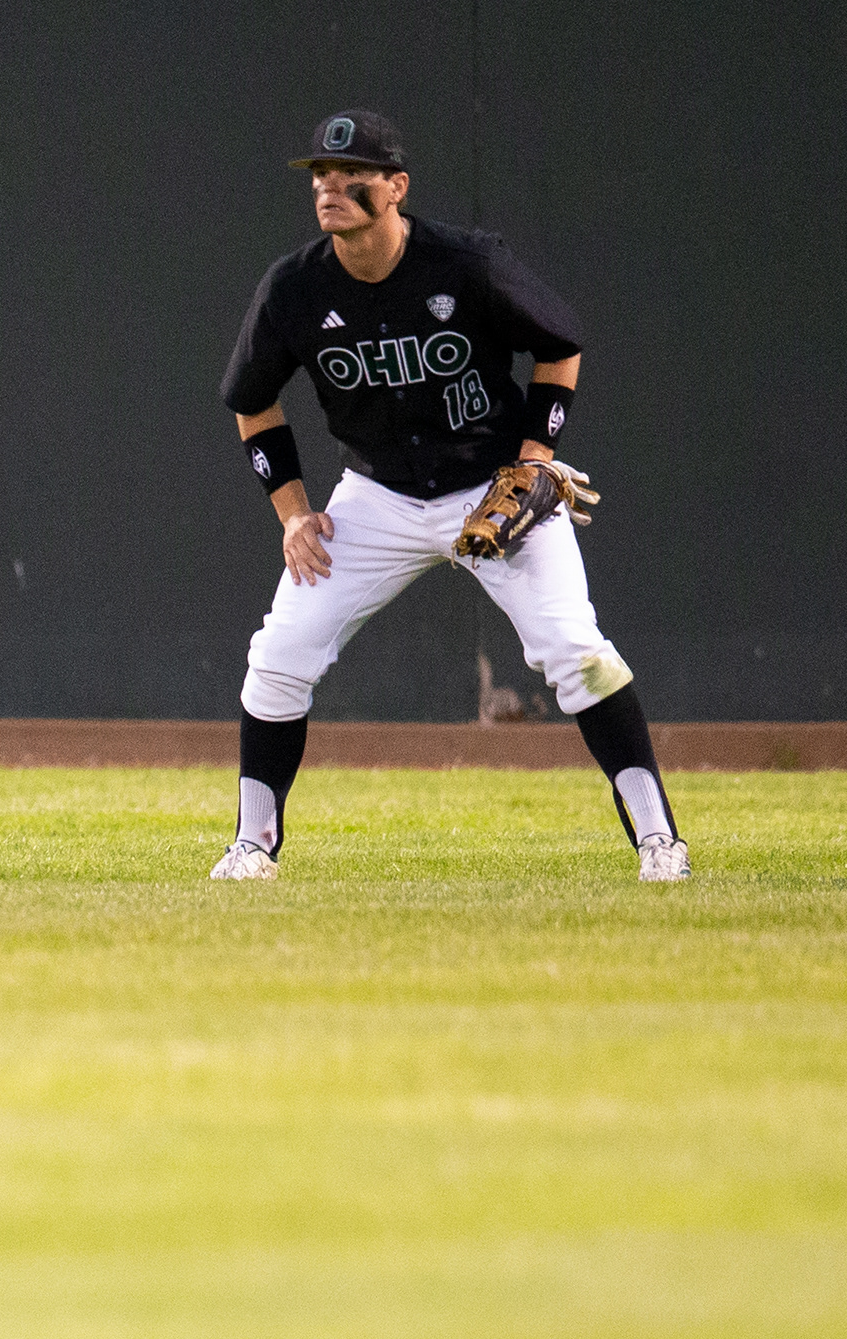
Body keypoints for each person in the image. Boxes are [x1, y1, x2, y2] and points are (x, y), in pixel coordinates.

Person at [214, 109, 687, 882]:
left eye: (352, 178)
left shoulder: (466, 264)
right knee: (277, 658)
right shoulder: (295, 289)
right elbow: (251, 400)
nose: (331, 191)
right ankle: (251, 845)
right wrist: (295, 512)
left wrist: (536, 461)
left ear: (396, 188)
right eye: (321, 180)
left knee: (575, 652)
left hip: (492, 487)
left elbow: (560, 343)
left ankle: (660, 840)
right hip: (376, 497)